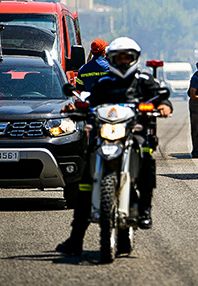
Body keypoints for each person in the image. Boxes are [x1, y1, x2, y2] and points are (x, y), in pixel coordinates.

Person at [56, 37, 173, 257]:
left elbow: (160, 96)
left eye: (126, 58)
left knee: (146, 155)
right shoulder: (104, 82)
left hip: (134, 132)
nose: (122, 62)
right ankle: (76, 239)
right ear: (111, 59)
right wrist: (76, 108)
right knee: (85, 182)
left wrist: (164, 106)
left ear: (134, 59)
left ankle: (144, 209)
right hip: (106, 133)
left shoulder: (143, 80)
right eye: (118, 58)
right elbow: (89, 100)